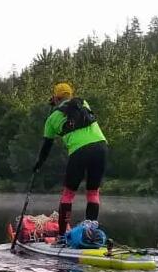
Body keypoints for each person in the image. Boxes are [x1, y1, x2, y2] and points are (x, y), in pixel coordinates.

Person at [34, 82, 108, 240]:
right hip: (101, 147)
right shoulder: (83, 103)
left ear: (55, 97)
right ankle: (91, 233)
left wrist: (38, 165)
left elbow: (46, 147)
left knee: (68, 195)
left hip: (79, 151)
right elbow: (71, 106)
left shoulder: (51, 119)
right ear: (70, 94)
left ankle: (61, 236)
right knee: (93, 192)